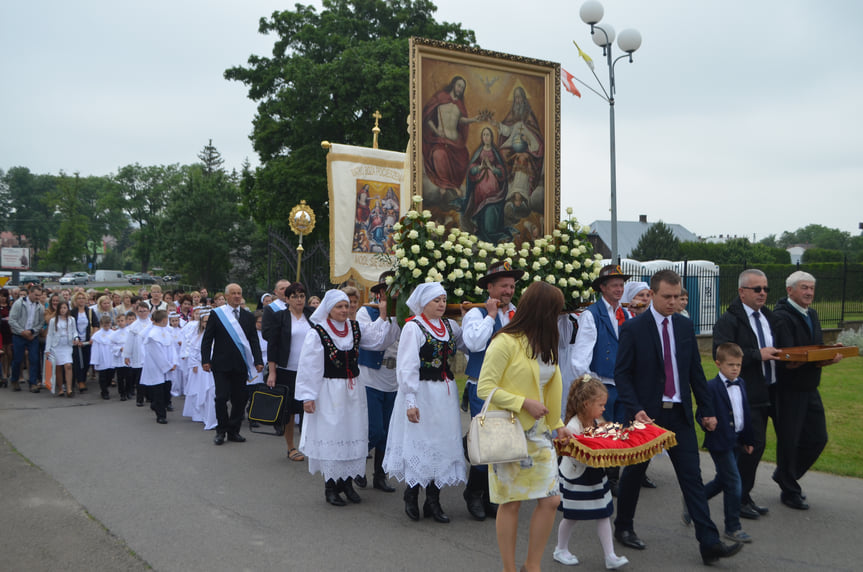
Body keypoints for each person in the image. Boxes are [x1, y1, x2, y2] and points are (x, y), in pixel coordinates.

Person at [613, 269, 742, 565]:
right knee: (633, 474)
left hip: (680, 416)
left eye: (676, 296)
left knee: (692, 478)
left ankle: (709, 543)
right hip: (648, 417)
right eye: (666, 297)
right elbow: (622, 374)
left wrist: (706, 410)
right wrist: (635, 410)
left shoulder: (684, 327)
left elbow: (695, 372)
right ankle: (624, 527)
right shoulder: (634, 329)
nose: (673, 302)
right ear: (653, 294)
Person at [476, 281, 572, 572]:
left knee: (552, 500)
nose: (559, 316)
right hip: (507, 431)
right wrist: (523, 402)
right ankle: (509, 567)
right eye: (555, 311)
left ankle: (532, 566)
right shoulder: (505, 342)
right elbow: (485, 388)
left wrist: (558, 424)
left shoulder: (545, 342)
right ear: (542, 310)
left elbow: (550, 387)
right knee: (511, 502)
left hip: (539, 433)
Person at [295, 289, 394, 506]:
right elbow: (309, 367)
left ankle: (347, 483)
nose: (344, 310)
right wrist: (308, 396)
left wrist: (385, 316)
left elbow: (378, 341)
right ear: (329, 309)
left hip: (353, 390)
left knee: (353, 432)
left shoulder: (355, 328)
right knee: (333, 434)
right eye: (339, 306)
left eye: (346, 306)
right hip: (329, 391)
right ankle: (331, 487)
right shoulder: (318, 333)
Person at [383, 282, 466, 522]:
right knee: (420, 440)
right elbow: (407, 365)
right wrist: (410, 400)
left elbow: (467, 344)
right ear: (423, 303)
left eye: (443, 300)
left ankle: (433, 500)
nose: (441, 304)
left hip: (445, 394)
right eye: (435, 300)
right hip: (421, 392)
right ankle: (411, 495)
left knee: (440, 442)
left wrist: (471, 319)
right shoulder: (414, 327)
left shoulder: (450, 326)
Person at [711, 269, 780, 520]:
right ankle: (734, 496)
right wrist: (755, 354)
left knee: (757, 447)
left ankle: (742, 494)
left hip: (770, 390)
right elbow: (720, 353)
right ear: (742, 292)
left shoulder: (767, 317)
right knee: (752, 446)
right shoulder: (729, 320)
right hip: (744, 394)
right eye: (757, 289)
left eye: (765, 289)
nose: (763, 294)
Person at [771, 270, 844, 510]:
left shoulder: (811, 314)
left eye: (812, 288)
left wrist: (827, 356)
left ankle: (785, 474)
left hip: (810, 386)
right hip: (789, 389)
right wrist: (816, 356)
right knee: (790, 440)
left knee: (817, 438)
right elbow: (788, 357)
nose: (809, 292)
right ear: (789, 290)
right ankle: (789, 488)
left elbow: (814, 349)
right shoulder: (782, 316)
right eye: (804, 287)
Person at [461, 260, 524, 520]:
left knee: (503, 444)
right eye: (503, 286)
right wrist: (490, 316)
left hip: (509, 389)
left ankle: (490, 493)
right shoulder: (476, 314)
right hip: (482, 388)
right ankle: (473, 492)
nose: (508, 291)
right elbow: (473, 343)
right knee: (486, 441)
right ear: (490, 288)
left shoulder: (517, 313)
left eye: (511, 286)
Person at [571, 265, 639, 493]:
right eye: (614, 285)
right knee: (602, 431)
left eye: (621, 285)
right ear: (603, 288)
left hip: (624, 382)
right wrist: (589, 386)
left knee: (621, 430)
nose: (619, 289)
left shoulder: (627, 314)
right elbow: (581, 355)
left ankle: (613, 477)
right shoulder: (591, 315)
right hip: (603, 383)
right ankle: (597, 476)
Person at [554, 375, 629, 570]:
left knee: (603, 513)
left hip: (595, 475)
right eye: (601, 405)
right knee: (571, 516)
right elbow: (575, 455)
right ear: (587, 404)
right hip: (577, 477)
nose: (604, 409)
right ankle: (560, 549)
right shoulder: (572, 427)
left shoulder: (597, 421)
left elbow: (606, 438)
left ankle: (610, 555)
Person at [692, 342, 755, 544]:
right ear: (718, 364)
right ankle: (732, 526)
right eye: (730, 365)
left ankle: (694, 500)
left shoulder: (741, 384)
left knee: (723, 480)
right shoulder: (711, 387)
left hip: (736, 440)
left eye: (738, 364)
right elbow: (700, 411)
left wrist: (748, 439)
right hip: (719, 442)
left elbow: (744, 414)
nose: (735, 369)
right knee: (734, 483)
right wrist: (705, 421)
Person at [201, 284, 264, 445]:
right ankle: (221, 430)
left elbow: (254, 340)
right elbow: (207, 339)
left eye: (239, 293)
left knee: (240, 399)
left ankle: (233, 431)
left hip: (240, 364)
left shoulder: (248, 316)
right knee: (221, 398)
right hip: (221, 364)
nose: (237, 296)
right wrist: (205, 360)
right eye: (233, 293)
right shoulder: (217, 314)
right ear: (227, 296)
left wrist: (258, 360)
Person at [357, 272, 400, 492]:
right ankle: (355, 466)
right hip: (370, 377)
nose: (393, 294)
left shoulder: (404, 314)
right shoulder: (365, 312)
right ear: (379, 293)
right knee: (374, 430)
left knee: (388, 431)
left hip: (393, 379)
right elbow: (375, 342)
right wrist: (383, 316)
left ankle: (380, 475)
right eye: (387, 290)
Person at [261, 280, 313, 460]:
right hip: (286, 369)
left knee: (309, 408)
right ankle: (291, 447)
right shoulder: (280, 317)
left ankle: (310, 445)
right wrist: (273, 371)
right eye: (294, 297)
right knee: (289, 411)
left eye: (302, 296)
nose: (299, 300)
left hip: (308, 371)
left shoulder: (311, 315)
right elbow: (273, 346)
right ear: (287, 299)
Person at [421, 75, 479, 205]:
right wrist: (436, 131)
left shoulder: (459, 104)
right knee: (438, 155)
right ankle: (447, 186)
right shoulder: (440, 98)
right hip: (441, 140)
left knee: (464, 158)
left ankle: (451, 186)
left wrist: (474, 119)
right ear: (453, 84)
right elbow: (428, 117)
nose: (460, 89)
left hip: (456, 143)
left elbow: (461, 120)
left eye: (463, 88)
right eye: (459, 85)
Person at [462, 126, 512, 243]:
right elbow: (471, 169)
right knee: (481, 211)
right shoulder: (479, 152)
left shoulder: (495, 153)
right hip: (479, 191)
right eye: (484, 134)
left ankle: (491, 233)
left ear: (491, 137)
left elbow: (502, 171)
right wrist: (480, 167)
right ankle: (480, 229)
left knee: (491, 211)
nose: (486, 137)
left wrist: (492, 168)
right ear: (481, 137)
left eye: (488, 135)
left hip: (494, 191)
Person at [183, 308, 217, 430]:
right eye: (204, 322)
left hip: (212, 368)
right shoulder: (197, 336)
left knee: (210, 393)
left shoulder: (216, 335)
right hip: (199, 368)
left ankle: (211, 417)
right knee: (199, 391)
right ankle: (199, 414)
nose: (207, 324)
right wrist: (193, 365)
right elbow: (192, 351)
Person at [140, 310, 176, 424]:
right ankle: (161, 415)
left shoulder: (166, 331)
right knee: (158, 390)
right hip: (156, 366)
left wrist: (174, 362)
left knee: (166, 388)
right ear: (164, 319)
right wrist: (166, 366)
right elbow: (157, 353)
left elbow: (172, 348)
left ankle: (158, 405)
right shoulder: (152, 335)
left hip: (168, 365)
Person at [9, 285, 46, 392]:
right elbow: (12, 320)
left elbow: (41, 322)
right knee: (18, 359)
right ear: (30, 293)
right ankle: (15, 379)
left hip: (32, 336)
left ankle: (33, 382)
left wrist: (33, 331)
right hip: (19, 335)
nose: (37, 297)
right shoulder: (19, 303)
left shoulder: (40, 306)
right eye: (36, 295)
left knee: (34, 359)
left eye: (39, 295)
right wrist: (22, 331)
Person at [45, 300, 76, 397]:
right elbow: (49, 335)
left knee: (68, 365)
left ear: (67, 309)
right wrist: (47, 349)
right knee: (58, 367)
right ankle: (61, 388)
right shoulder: (53, 320)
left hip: (67, 345)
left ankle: (69, 388)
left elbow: (75, 332)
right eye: (61, 308)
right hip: (56, 346)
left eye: (65, 308)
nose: (63, 310)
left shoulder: (71, 319)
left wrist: (76, 338)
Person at [125, 301, 152, 406]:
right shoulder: (133, 326)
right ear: (137, 312)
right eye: (140, 311)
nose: (142, 313)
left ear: (148, 311)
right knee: (140, 377)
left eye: (144, 311)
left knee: (150, 376)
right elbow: (129, 342)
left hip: (149, 353)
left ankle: (149, 396)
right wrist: (127, 355)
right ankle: (139, 398)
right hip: (138, 353)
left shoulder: (152, 323)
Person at [71, 291, 97, 394]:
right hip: (76, 341)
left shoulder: (90, 311)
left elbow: (95, 324)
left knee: (86, 361)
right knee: (77, 361)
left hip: (87, 341)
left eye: (83, 298)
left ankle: (83, 378)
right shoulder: (72, 312)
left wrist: (92, 337)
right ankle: (80, 381)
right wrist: (75, 339)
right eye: (79, 298)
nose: (81, 300)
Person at [90, 315, 118, 400]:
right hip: (102, 356)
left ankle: (107, 385)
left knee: (110, 375)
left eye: (108, 324)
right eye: (104, 325)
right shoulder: (97, 335)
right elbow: (95, 349)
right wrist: (95, 359)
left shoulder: (113, 334)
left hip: (110, 356)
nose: (106, 327)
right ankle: (104, 391)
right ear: (101, 324)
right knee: (102, 376)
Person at [113, 312, 131, 401]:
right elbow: (112, 346)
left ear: (126, 321)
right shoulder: (115, 333)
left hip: (128, 356)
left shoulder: (130, 332)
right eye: (118, 321)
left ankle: (128, 391)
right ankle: (122, 393)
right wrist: (119, 348)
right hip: (119, 357)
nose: (120, 322)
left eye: (122, 320)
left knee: (128, 376)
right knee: (120, 377)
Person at [0, 288, 13, 387]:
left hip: (9, 331)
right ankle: (3, 373)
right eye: (1, 296)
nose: (2, 298)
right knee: (3, 352)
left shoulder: (10, 306)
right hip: (1, 331)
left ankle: (8, 369)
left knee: (9, 352)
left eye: (4, 296)